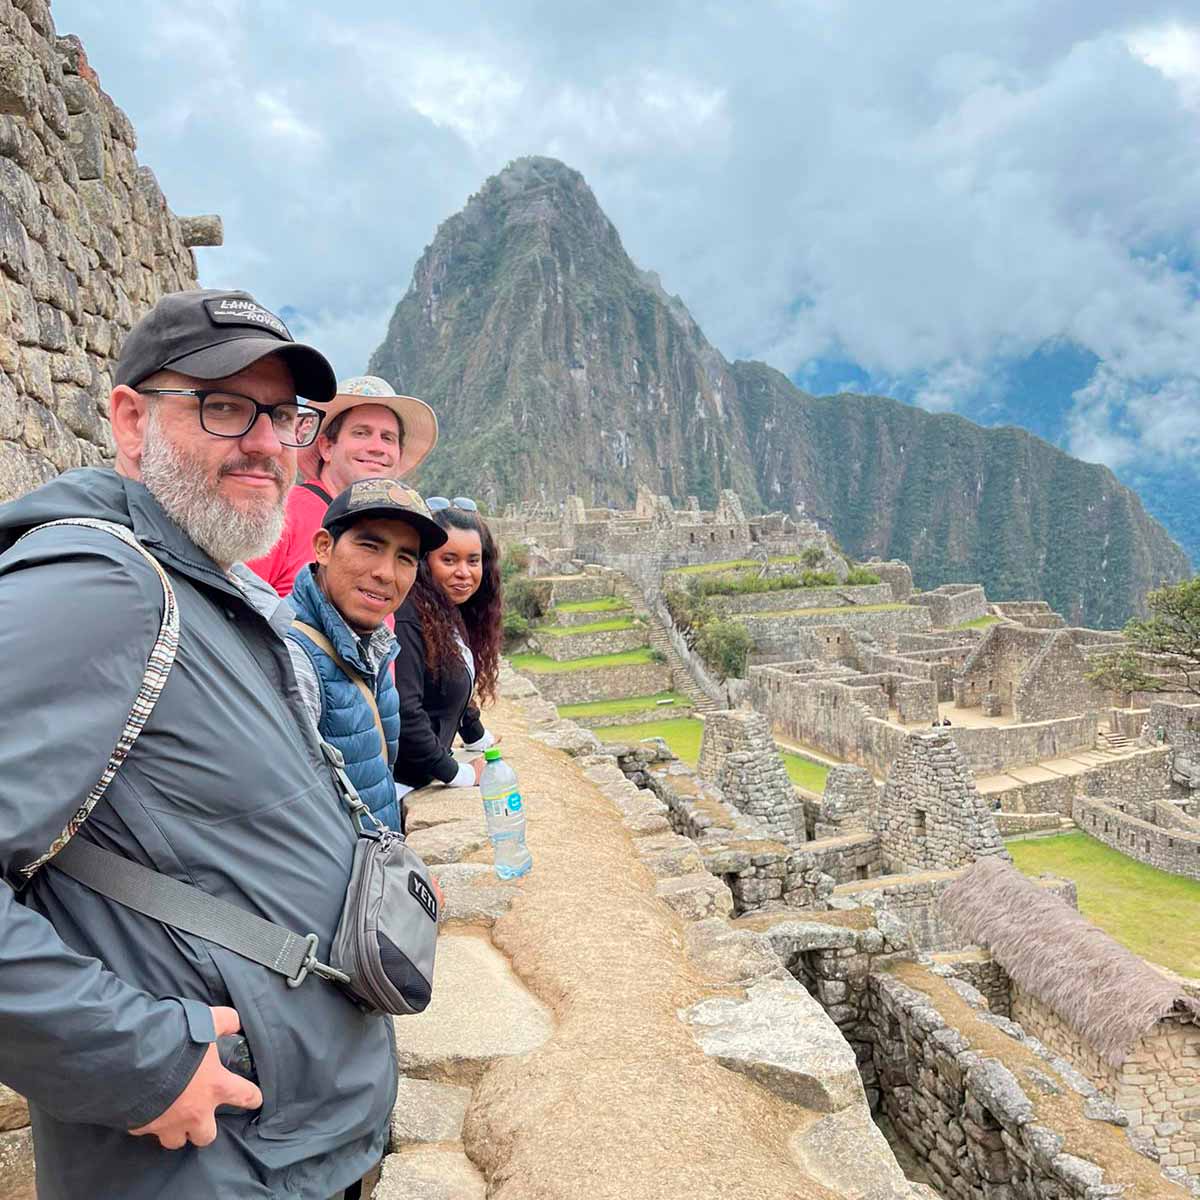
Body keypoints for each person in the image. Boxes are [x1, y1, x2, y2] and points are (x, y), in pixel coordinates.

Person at [0, 289, 394, 1199]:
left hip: (286, 1134)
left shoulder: (202, 583)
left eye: (287, 417)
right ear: (131, 420)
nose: (266, 442)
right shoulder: (100, 587)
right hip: (211, 1158)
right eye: (224, 407)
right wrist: (138, 1059)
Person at [286, 478, 447, 831]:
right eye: (369, 546)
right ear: (323, 547)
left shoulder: (375, 648)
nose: (385, 573)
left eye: (405, 558)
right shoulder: (293, 663)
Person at [247, 375, 438, 597]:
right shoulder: (283, 514)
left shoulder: (392, 535)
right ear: (327, 447)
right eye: (361, 433)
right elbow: (234, 605)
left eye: (388, 438)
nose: (377, 447)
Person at [392, 497, 503, 797]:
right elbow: (405, 711)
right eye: (449, 559)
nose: (464, 572)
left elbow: (450, 685)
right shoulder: (407, 617)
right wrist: (459, 773)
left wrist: (477, 738)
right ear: (426, 561)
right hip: (399, 787)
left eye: (473, 560)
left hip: (418, 778)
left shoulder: (445, 614)